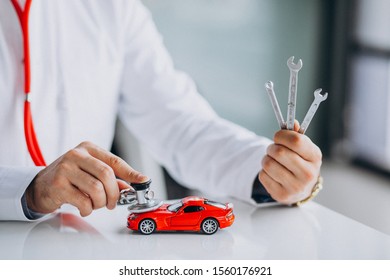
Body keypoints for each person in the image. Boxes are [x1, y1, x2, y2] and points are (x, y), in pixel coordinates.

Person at [0, 0, 322, 221]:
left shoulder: (114, 8)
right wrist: (29, 190)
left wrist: (270, 170)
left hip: (82, 248)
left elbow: (181, 124)